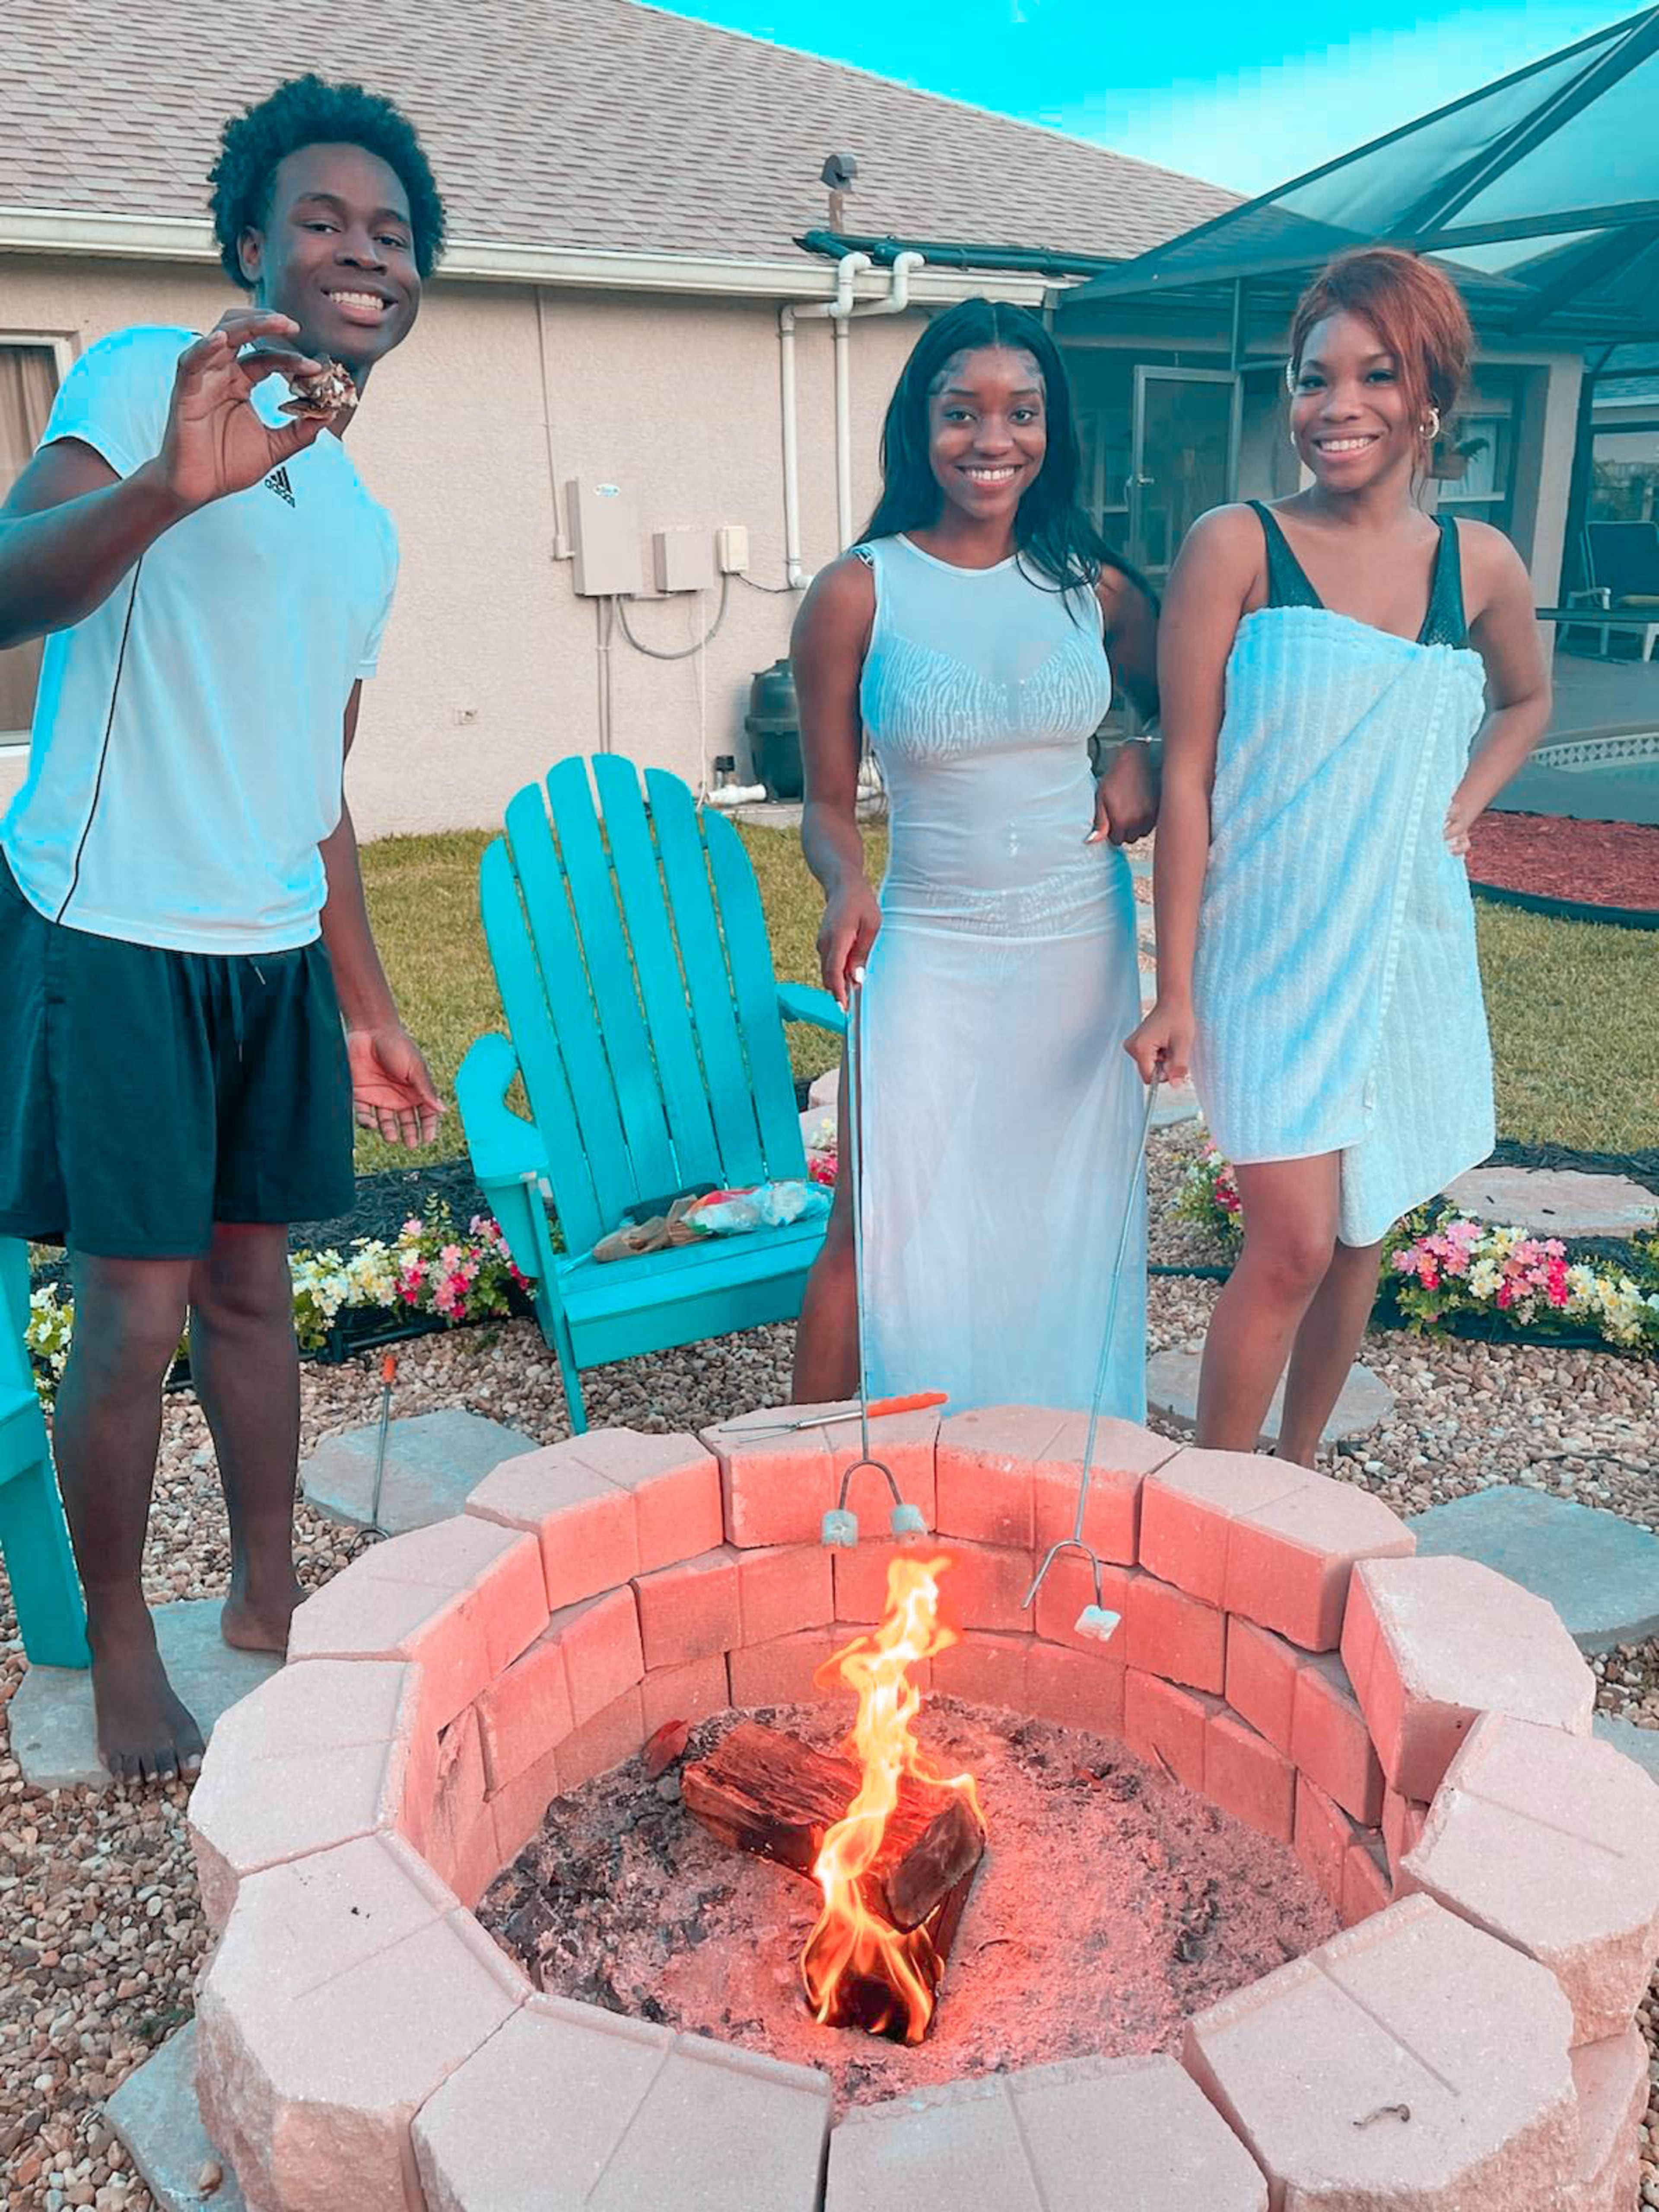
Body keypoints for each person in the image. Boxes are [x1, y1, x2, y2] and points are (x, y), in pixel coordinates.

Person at [0, 75, 448, 1782]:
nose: (362, 252)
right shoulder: (145, 378)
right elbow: (9, 586)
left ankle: (270, 1593)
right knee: (136, 1308)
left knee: (255, 1286)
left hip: (266, 947)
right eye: (321, 220)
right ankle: (122, 1639)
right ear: (251, 243)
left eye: (391, 233)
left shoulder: (365, 527)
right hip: (111, 918)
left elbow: (312, 780)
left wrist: (365, 996)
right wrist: (171, 492)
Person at [1129, 248, 1551, 1465]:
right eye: (1315, 379)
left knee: (1363, 1229)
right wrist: (1174, 988)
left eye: (1377, 375)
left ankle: (1300, 1476)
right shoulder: (1238, 545)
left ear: (1431, 399)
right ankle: (1214, 1505)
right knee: (1294, 1243)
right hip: (1268, 948)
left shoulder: (1481, 564)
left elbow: (1527, 700)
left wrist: (1458, 806)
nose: (1337, 405)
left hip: (1406, 945)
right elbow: (1187, 773)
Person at [791, 298, 1160, 1417]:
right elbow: (825, 805)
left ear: (1053, 428)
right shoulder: (858, 590)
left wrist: (1142, 753)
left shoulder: (1092, 586)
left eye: (1022, 412)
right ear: (921, 423)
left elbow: (1194, 711)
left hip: (1078, 947)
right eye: (963, 412)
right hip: (930, 946)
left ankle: (1039, 1460)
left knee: (1061, 1216)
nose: (993, 439)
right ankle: (807, 1480)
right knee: (871, 1224)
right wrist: (846, 882)